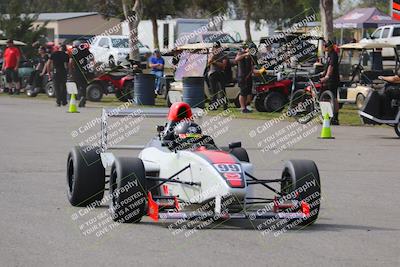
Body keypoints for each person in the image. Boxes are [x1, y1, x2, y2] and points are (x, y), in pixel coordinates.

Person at [235, 42, 264, 113]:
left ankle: (247, 106)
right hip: (242, 76)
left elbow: (252, 68)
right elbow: (236, 59)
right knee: (243, 92)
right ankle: (242, 108)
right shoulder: (241, 52)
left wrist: (259, 71)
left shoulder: (252, 56)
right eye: (252, 49)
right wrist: (246, 54)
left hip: (249, 76)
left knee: (249, 93)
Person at [321, 40, 340, 125]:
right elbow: (327, 66)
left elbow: (331, 66)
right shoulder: (329, 55)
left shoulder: (333, 55)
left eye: (325, 46)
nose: (324, 48)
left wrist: (327, 76)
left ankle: (335, 118)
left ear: (328, 47)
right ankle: (327, 117)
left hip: (332, 80)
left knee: (332, 98)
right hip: (329, 78)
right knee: (326, 98)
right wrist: (322, 73)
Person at [69, 40, 94, 107]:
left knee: (77, 85)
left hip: (76, 71)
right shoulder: (85, 50)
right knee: (83, 86)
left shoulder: (74, 51)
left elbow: (71, 62)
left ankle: (79, 98)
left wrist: (70, 71)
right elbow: (92, 58)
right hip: (85, 70)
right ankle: (83, 97)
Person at [208, 41, 228, 110]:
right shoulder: (211, 54)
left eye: (217, 47)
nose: (216, 49)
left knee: (222, 90)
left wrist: (215, 62)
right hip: (212, 73)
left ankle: (225, 105)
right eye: (215, 47)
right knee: (213, 91)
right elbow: (209, 61)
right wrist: (213, 55)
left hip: (220, 73)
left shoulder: (223, 54)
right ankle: (214, 105)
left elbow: (223, 65)